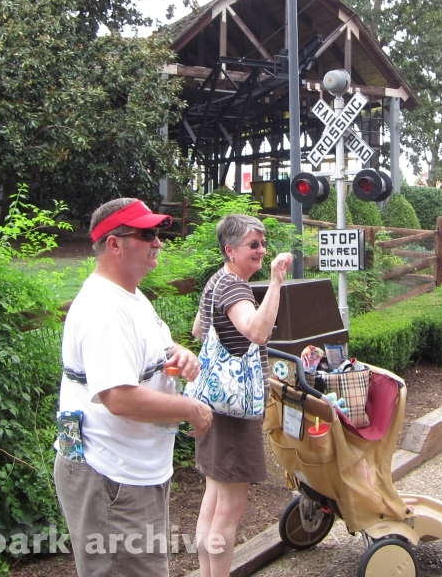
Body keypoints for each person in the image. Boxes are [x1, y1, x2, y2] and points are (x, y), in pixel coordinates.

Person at [55, 198, 213, 577]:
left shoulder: (131, 295)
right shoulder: (103, 309)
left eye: (156, 233)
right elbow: (120, 398)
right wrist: (191, 410)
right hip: (111, 476)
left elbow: (156, 349)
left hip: (131, 472)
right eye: (147, 234)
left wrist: (178, 353)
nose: (158, 242)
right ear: (114, 244)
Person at [191, 214, 293, 577]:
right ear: (230, 250)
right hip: (233, 410)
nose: (261, 250)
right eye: (253, 244)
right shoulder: (235, 287)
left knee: (213, 501)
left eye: (262, 243)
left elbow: (199, 330)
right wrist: (276, 282)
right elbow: (257, 332)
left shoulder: (216, 281)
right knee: (230, 508)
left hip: (211, 403)